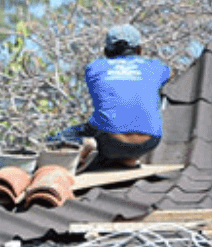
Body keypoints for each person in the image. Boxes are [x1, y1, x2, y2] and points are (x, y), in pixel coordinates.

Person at [50, 24, 171, 170]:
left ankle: (84, 145)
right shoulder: (156, 67)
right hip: (150, 141)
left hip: (110, 141)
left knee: (58, 139)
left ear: (106, 51)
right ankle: (128, 159)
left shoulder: (94, 68)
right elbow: (170, 75)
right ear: (139, 50)